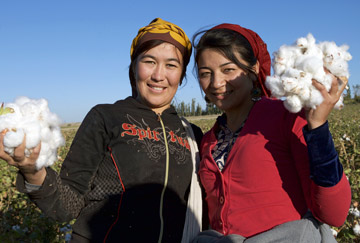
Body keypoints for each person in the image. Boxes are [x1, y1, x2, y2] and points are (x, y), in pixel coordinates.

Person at [0, 18, 205, 242]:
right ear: (134, 66)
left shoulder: (193, 134)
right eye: (149, 61)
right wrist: (33, 171)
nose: (158, 75)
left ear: (182, 74)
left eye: (171, 65)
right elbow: (68, 206)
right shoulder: (105, 117)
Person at [191, 23, 351, 242]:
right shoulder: (209, 140)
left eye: (228, 69)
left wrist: (318, 127)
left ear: (253, 69)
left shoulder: (286, 117)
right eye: (205, 73)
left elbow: (334, 213)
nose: (217, 83)